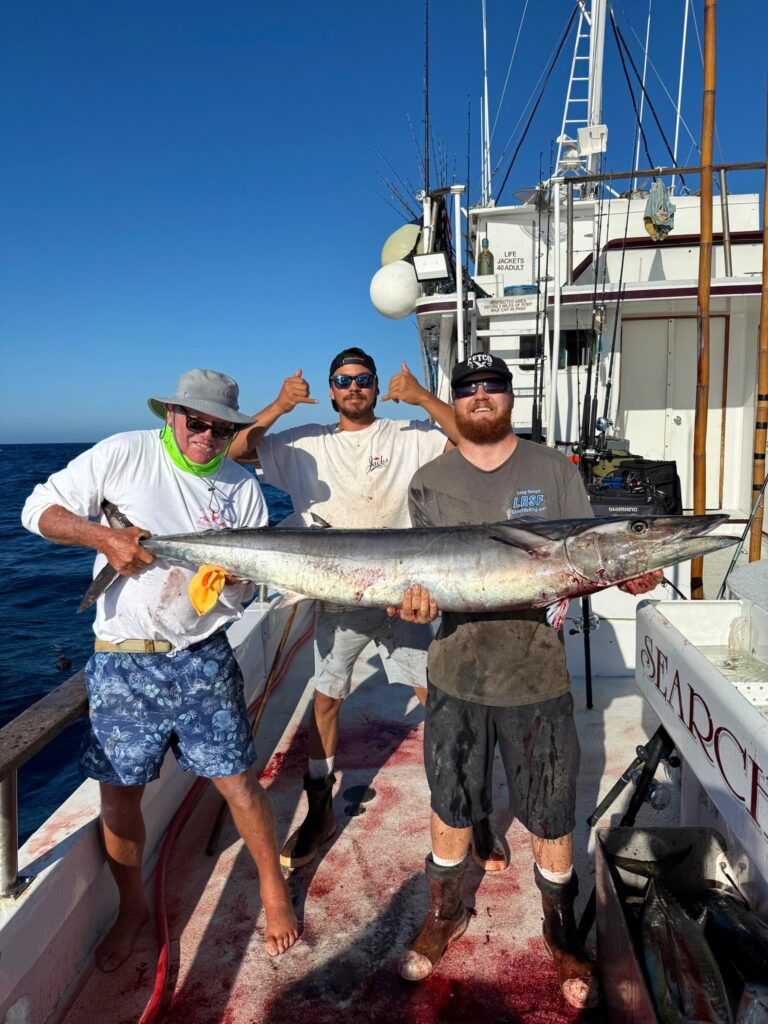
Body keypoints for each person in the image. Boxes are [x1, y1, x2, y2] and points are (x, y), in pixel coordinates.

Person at [392, 353, 661, 1008]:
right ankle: (446, 911)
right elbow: (423, 579)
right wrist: (414, 601)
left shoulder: (552, 469)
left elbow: (586, 551)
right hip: (456, 666)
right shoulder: (428, 480)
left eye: (493, 387)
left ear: (510, 397)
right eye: (468, 389)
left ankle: (560, 927)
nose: (481, 396)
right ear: (453, 402)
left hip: (536, 667)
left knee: (549, 806)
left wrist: (626, 569)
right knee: (450, 803)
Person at [21, 368, 299, 971]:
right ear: (170, 415)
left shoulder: (242, 488)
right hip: (124, 663)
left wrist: (234, 588)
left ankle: (272, 889)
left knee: (238, 783)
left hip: (203, 655)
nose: (207, 434)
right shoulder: (124, 454)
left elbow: (241, 596)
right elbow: (35, 508)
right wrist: (102, 538)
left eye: (221, 427)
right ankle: (133, 908)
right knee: (120, 800)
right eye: (195, 421)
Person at [228, 347, 515, 872]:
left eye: (363, 379)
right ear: (331, 388)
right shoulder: (303, 441)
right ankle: (320, 810)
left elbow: (471, 441)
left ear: (377, 386)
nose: (353, 387)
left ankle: (469, 807)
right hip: (338, 591)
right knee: (327, 697)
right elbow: (234, 450)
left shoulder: (408, 434)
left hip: (407, 589)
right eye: (342, 380)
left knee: (439, 698)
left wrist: (424, 397)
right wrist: (277, 406)